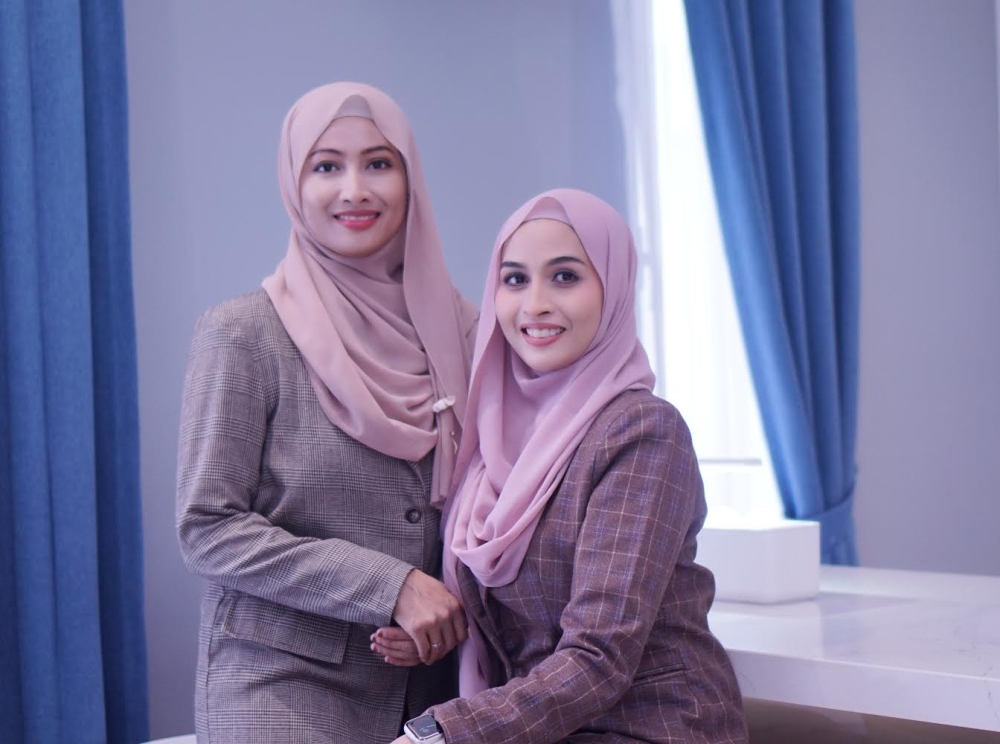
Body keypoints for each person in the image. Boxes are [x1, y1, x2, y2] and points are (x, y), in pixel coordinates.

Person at [374, 188, 749, 743]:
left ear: (613, 289)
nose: (535, 305)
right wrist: (447, 630)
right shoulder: (492, 443)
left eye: (566, 277)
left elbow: (599, 653)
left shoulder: (643, 433)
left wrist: (440, 734)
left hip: (649, 728)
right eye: (516, 279)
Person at [176, 81, 477, 744]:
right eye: (326, 166)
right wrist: (390, 585)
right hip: (279, 678)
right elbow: (208, 529)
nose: (354, 191)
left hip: (434, 685)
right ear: (294, 182)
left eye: (378, 163)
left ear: (410, 176)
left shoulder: (466, 334)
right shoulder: (242, 335)